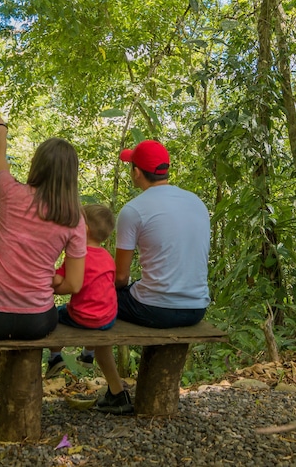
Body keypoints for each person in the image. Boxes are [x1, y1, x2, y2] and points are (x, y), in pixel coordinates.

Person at [0, 108, 87, 369]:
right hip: (38, 321)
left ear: (37, 164)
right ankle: (9, 371)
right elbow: (74, 285)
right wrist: (48, 281)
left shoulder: (10, 192)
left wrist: (0, 128)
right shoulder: (74, 219)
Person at [94, 139, 211, 415]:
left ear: (137, 172)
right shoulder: (196, 202)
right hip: (196, 307)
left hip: (156, 309)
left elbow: (120, 278)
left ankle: (115, 390)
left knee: (94, 301)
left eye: (131, 166)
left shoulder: (133, 210)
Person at [45, 204, 118, 385]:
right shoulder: (108, 257)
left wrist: (50, 281)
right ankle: (88, 354)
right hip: (108, 318)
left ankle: (55, 356)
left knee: (53, 315)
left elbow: (59, 281)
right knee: (97, 311)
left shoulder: (77, 256)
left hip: (83, 317)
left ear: (83, 229)